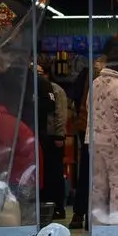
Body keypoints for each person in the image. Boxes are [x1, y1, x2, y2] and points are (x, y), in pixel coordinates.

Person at [87, 38, 118, 225]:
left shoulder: (95, 83)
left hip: (94, 139)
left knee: (98, 183)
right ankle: (117, 223)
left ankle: (97, 223)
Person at [69, 54, 105, 230]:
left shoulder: (99, 78)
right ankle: (81, 213)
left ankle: (86, 214)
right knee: (88, 172)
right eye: (98, 61)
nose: (99, 65)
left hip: (91, 130)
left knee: (90, 173)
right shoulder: (88, 77)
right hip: (90, 130)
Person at [38, 64, 68, 219]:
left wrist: (59, 135)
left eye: (40, 72)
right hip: (38, 136)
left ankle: (58, 206)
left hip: (52, 137)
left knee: (55, 173)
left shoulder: (55, 90)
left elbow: (61, 113)